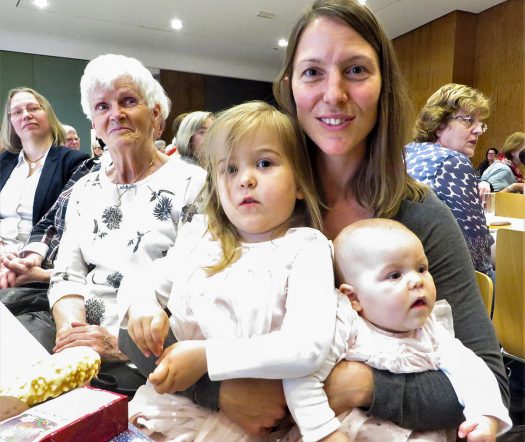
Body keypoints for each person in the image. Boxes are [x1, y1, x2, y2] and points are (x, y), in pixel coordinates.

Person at [259, 0, 507, 436]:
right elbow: (155, 329)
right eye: (313, 72)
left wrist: (363, 385)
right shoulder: (252, 203)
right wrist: (218, 391)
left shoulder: (422, 216)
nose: (333, 94)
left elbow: (490, 382)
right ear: (289, 87)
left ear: (384, 86)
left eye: (355, 70)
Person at [119, 101, 344, 441]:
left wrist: (207, 356)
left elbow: (306, 347)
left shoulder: (306, 248)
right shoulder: (202, 237)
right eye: (230, 169)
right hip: (180, 409)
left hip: (266, 422)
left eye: (264, 163)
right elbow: (143, 280)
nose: (246, 180)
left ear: (299, 183)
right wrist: (142, 305)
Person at [42, 54, 206, 393]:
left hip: (151, 353)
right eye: (102, 106)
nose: (115, 114)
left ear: (155, 113)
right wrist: (71, 334)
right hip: (81, 342)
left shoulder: (193, 183)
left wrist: (117, 344)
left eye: (128, 101)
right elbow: (67, 273)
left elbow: (197, 287)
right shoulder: (85, 189)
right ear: (94, 123)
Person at [329, 219, 510, 441]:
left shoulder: (432, 333)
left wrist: (484, 416)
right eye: (395, 275)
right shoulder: (345, 328)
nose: (416, 280)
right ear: (353, 298)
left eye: (422, 268)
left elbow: (473, 373)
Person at [404, 84, 495, 280]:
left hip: (402, 274)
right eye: (469, 120)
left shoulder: (406, 151)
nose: (479, 130)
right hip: (439, 281)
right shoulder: (453, 161)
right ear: (439, 124)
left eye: (481, 123)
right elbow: (477, 252)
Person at [0, 87, 88, 259]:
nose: (26, 115)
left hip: (39, 258)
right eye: (17, 112)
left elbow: (67, 225)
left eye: (33, 108)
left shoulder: (73, 162)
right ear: (11, 122)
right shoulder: (4, 162)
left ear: (48, 114)